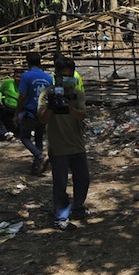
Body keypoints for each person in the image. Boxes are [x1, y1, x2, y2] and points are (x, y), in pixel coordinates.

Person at [38, 56, 89, 230]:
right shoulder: (46, 94)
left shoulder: (77, 94)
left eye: (69, 77)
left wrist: (70, 107)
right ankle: (61, 217)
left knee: (83, 179)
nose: (66, 81)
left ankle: (77, 207)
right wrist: (52, 106)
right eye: (62, 77)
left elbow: (82, 115)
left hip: (76, 144)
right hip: (58, 146)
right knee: (60, 184)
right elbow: (43, 120)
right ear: (57, 76)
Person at [14, 52, 53, 174]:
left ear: (28, 63)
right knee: (39, 137)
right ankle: (38, 166)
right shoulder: (48, 78)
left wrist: (17, 113)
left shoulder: (26, 76)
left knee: (24, 137)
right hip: (43, 111)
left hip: (31, 111)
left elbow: (22, 95)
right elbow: (51, 95)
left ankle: (39, 155)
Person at [0, 71, 21, 141]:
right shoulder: (8, 82)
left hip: (19, 109)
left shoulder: (26, 86)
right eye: (17, 77)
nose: (19, 79)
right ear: (14, 77)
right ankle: (4, 133)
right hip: (5, 106)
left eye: (21, 77)